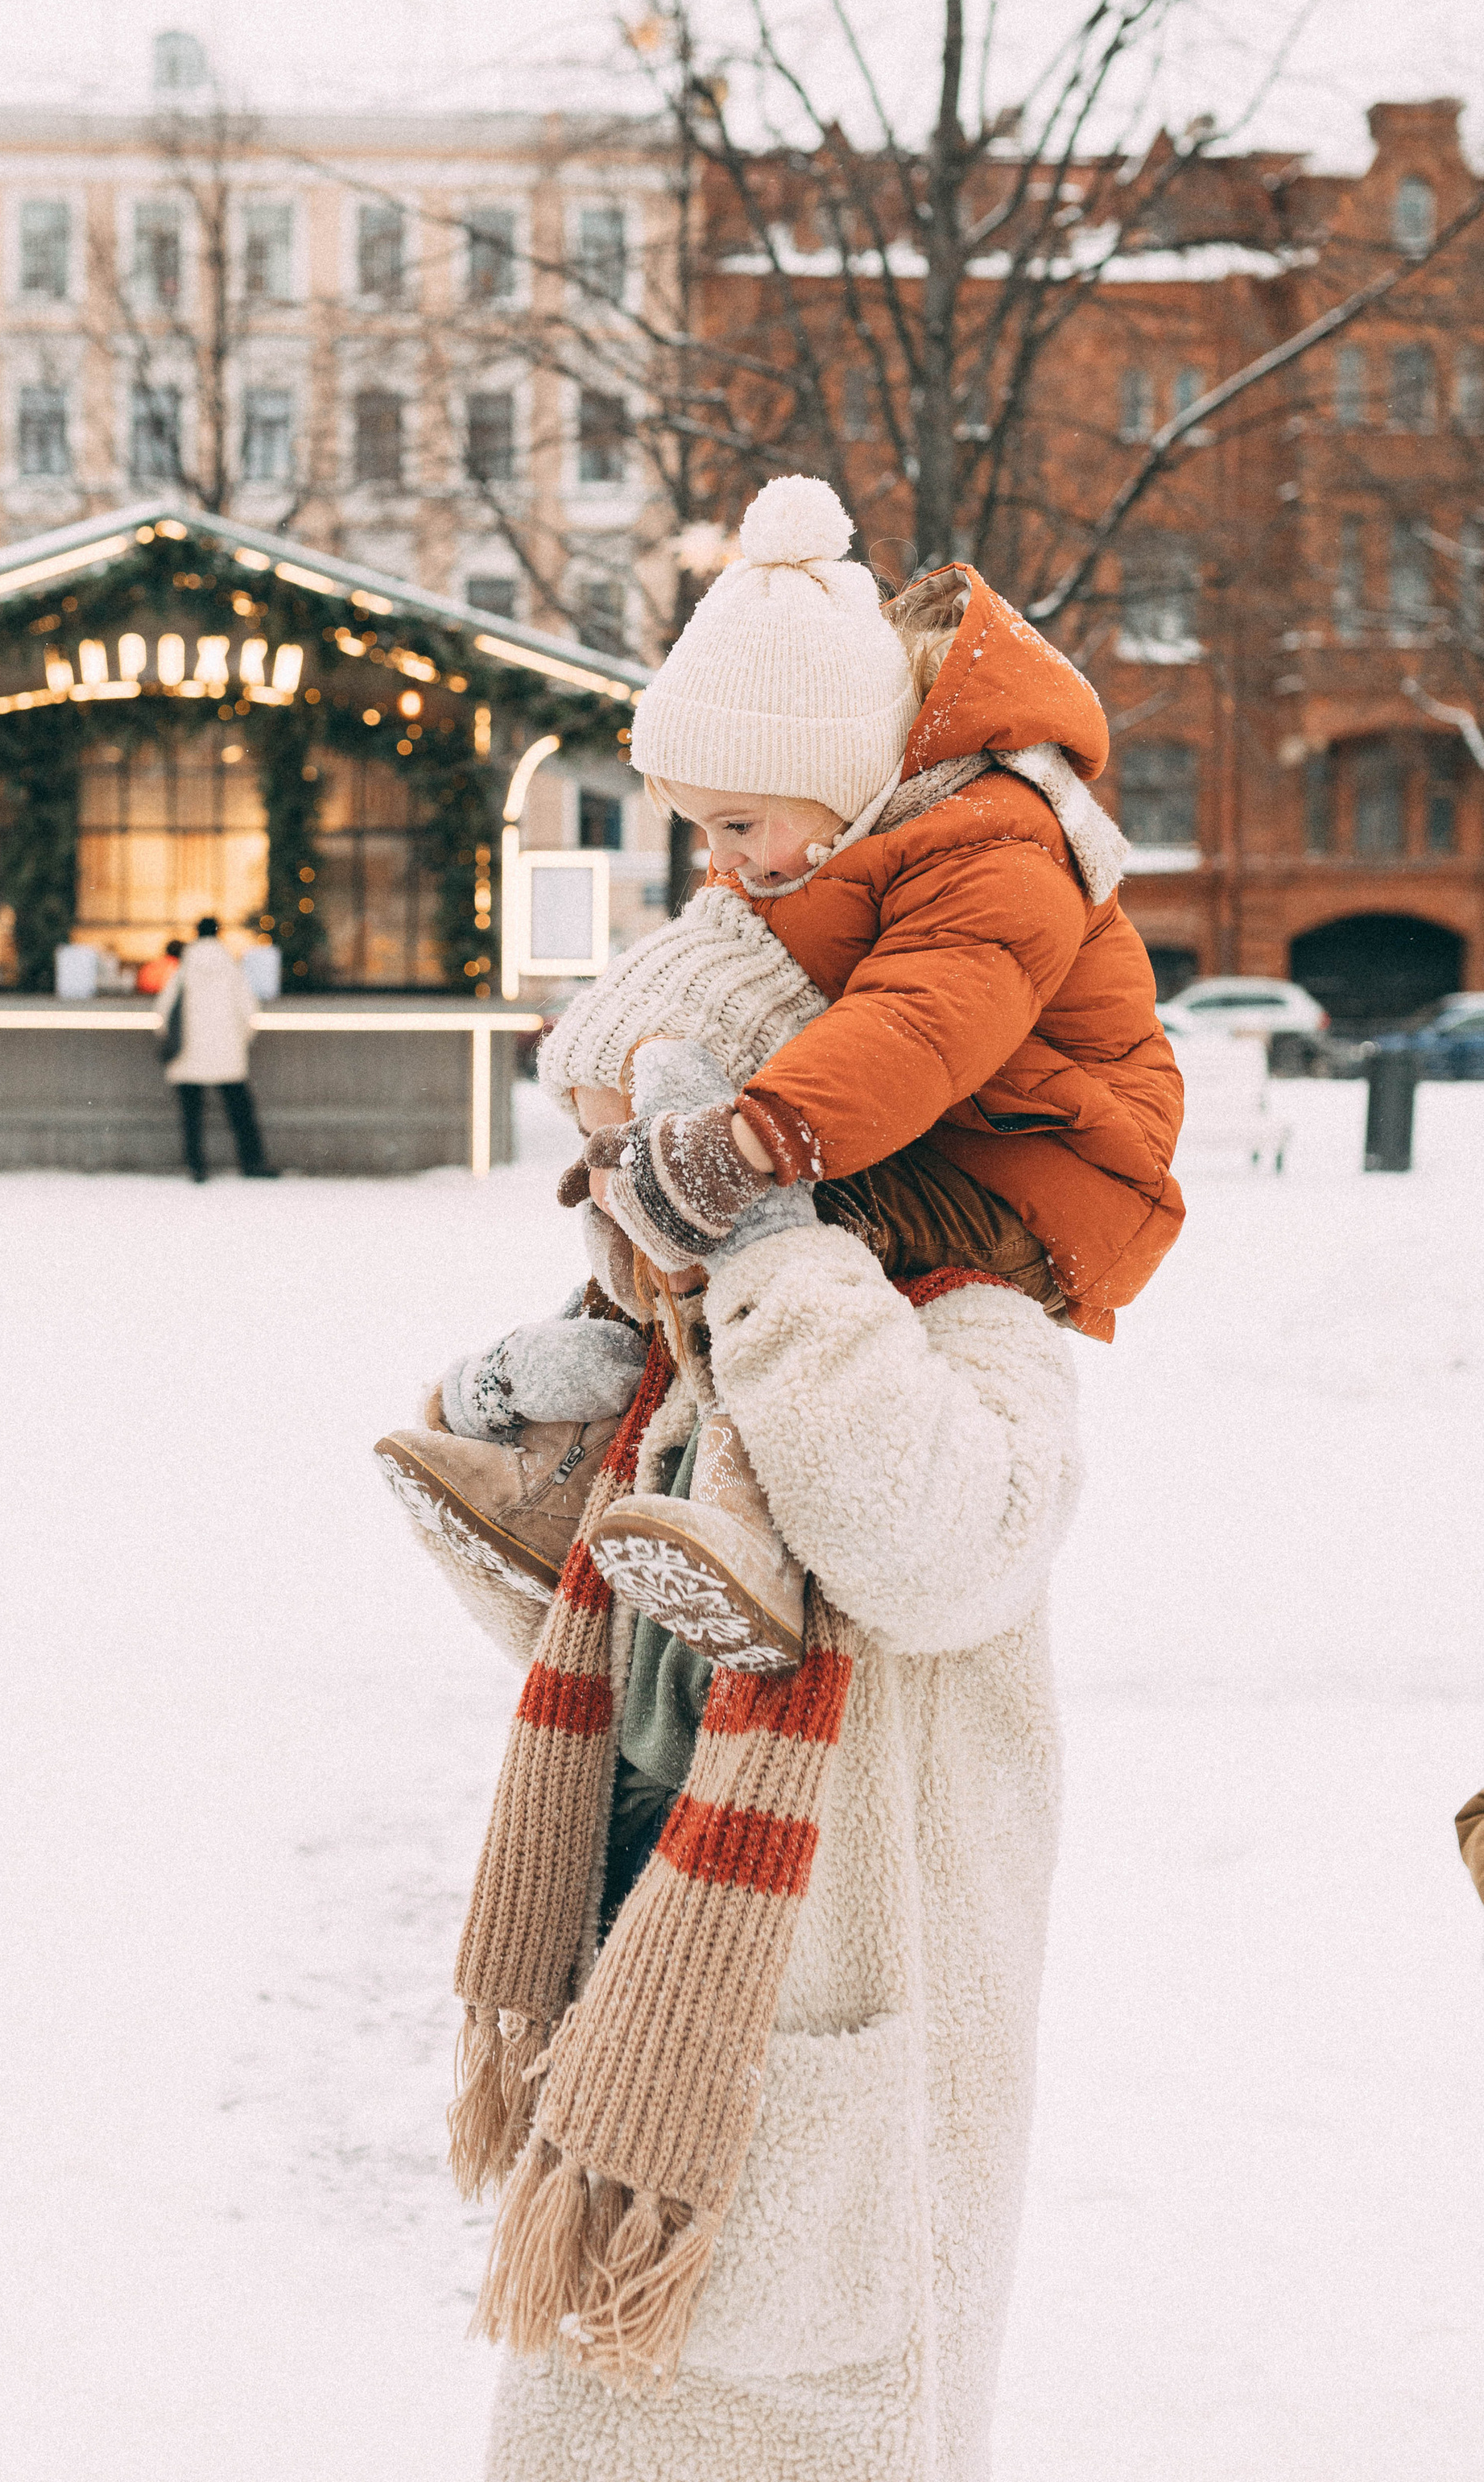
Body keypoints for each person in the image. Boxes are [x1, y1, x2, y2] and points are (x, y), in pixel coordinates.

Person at [387, 1165, 1083, 2482]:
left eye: (646, 1151)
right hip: (643, 1988)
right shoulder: (696, 1360)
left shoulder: (974, 1337)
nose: (616, 1196)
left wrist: (771, 1258)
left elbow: (920, 1543)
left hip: (821, 2038)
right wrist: (508, 1416)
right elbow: (585, 1661)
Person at [532, 474, 1179, 1664]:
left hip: (1045, 1170)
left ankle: (743, 1512)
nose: (720, 859)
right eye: (703, 829)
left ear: (838, 783)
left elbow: (918, 1026)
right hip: (946, 1132)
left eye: (735, 825)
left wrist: (747, 1145)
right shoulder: (820, 841)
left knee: (765, 1226)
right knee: (679, 1214)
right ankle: (569, 1442)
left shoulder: (995, 843)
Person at [156, 917, 275, 1181]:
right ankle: (252, 1163)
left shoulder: (184, 968)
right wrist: (239, 1042)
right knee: (240, 1113)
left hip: (189, 1055)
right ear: (219, 933)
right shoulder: (231, 966)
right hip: (227, 1055)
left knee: (192, 1115)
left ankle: (197, 1166)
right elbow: (250, 1010)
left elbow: (164, 1009)